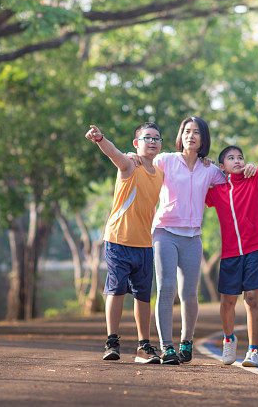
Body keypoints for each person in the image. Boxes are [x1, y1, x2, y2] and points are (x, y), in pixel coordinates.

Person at [149, 116, 257, 365]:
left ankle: (186, 342)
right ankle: (167, 347)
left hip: (192, 237)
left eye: (196, 132)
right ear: (181, 136)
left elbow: (232, 177)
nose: (191, 135)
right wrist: (132, 157)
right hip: (165, 233)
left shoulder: (209, 170)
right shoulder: (165, 160)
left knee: (189, 293)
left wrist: (248, 165)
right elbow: (144, 164)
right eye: (187, 131)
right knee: (166, 289)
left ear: (203, 139)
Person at [204, 114, 258, 367]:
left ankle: (253, 350)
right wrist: (206, 165)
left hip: (256, 248)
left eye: (240, 157)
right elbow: (196, 182)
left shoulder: (255, 180)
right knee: (227, 302)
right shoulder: (216, 191)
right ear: (222, 167)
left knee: (252, 298)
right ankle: (229, 339)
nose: (237, 161)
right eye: (230, 158)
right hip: (231, 253)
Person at [85, 122, 164, 363]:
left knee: (142, 296)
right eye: (147, 138)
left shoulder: (160, 173)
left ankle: (143, 347)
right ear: (136, 143)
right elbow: (115, 155)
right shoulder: (129, 164)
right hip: (118, 239)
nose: (152, 142)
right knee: (116, 288)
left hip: (144, 244)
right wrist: (100, 139)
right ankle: (112, 342)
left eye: (156, 138)